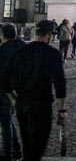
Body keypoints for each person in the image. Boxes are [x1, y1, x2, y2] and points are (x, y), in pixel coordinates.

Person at [0, 20, 67, 161]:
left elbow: (4, 78)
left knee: (27, 145)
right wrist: (62, 109)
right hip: (42, 104)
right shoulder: (53, 53)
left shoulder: (22, 51)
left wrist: (13, 98)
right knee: (37, 147)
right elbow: (60, 83)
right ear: (49, 35)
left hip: (22, 103)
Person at [0, 23, 24, 161]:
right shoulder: (23, 47)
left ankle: (7, 154)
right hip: (20, 89)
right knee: (7, 118)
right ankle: (16, 149)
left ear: (3, 35)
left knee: (5, 120)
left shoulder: (3, 51)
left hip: (4, 89)